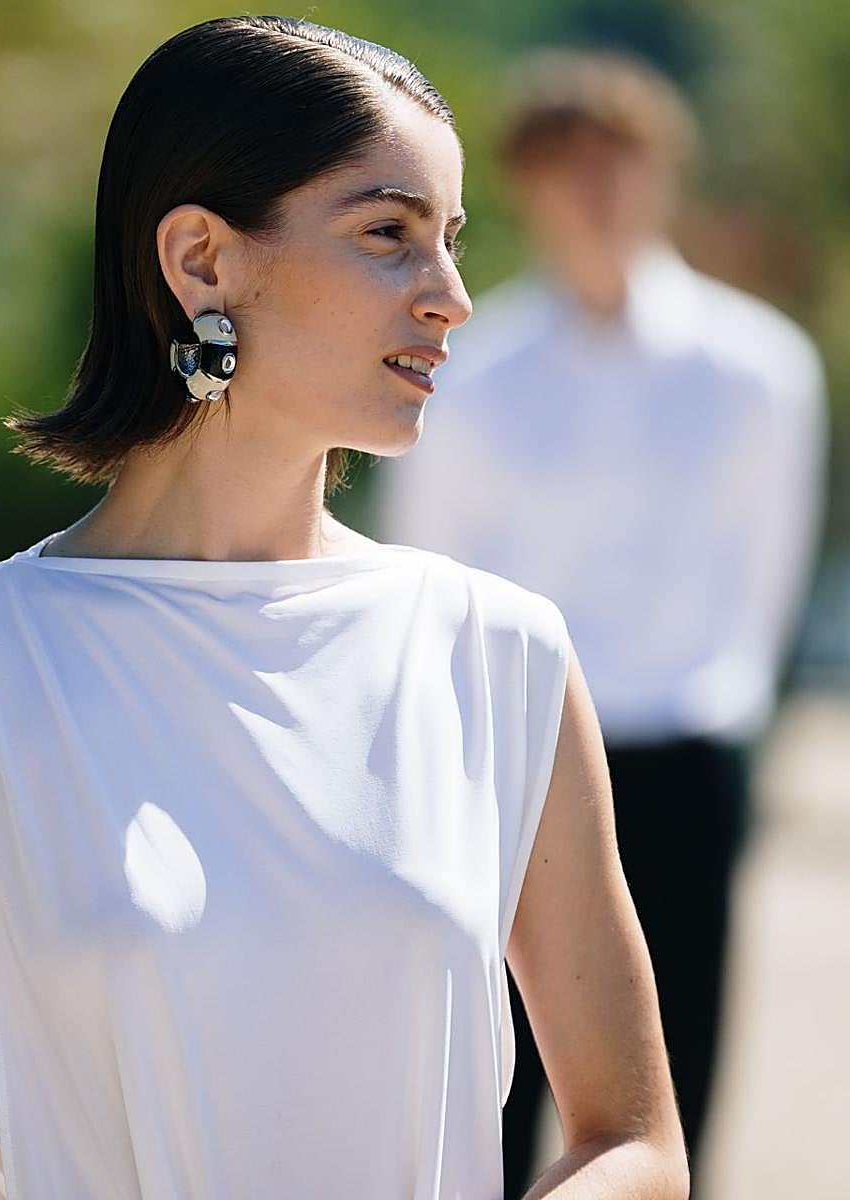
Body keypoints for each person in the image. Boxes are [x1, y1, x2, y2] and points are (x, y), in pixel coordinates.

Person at [0, 17, 689, 1199]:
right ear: (202, 261)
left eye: (454, 241)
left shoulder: (497, 653)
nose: (453, 299)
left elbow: (633, 1140)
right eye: (389, 234)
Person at [371, 46, 828, 1200]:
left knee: (676, 1079)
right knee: (492, 1076)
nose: (595, 193)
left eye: (618, 164)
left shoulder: (761, 369)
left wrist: (729, 726)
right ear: (525, 188)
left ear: (663, 173)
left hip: (684, 751)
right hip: (511, 758)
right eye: (566, 168)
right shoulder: (465, 369)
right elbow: (424, 569)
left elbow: (765, 576)